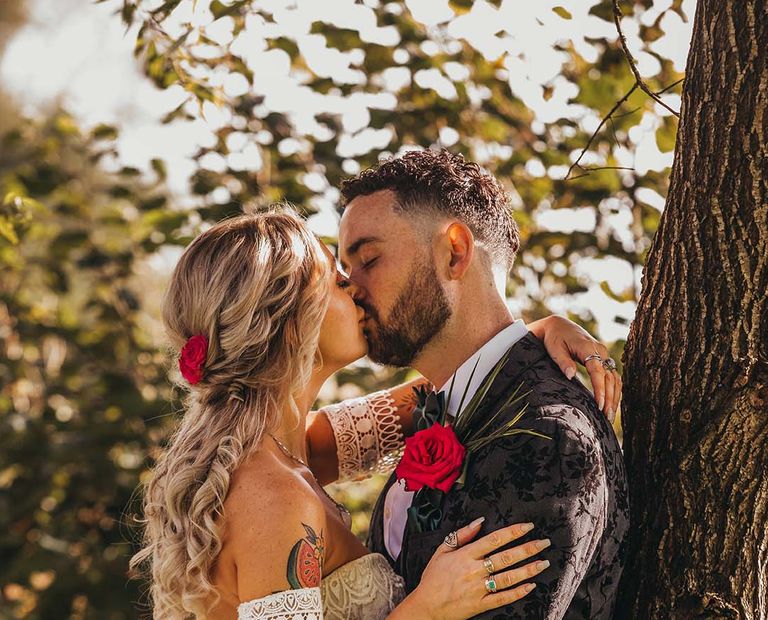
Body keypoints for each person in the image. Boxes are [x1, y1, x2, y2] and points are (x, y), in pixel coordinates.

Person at [130, 205, 621, 619]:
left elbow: (456, 379)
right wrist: (426, 609)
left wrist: (536, 332)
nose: (356, 288)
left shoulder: (294, 448)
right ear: (294, 324)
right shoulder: (272, 494)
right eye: (334, 280)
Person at [336, 147, 630, 618]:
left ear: (455, 251)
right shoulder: (447, 403)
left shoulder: (547, 437)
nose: (350, 287)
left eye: (367, 259)